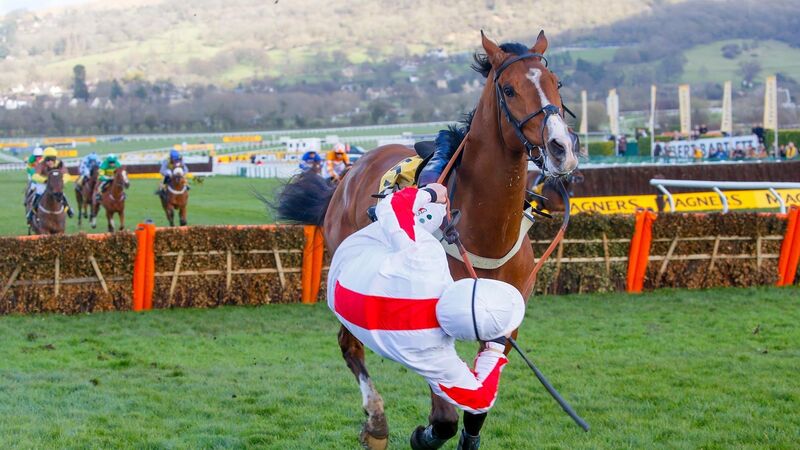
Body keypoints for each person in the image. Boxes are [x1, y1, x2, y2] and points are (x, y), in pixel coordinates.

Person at [327, 184, 525, 450]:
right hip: (349, 306)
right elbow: (481, 399)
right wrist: (494, 348)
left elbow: (392, 207)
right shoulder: (436, 355)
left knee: (426, 218)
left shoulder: (426, 258)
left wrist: (432, 193)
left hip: (350, 262)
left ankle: (422, 203)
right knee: (422, 225)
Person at [28, 147, 73, 221]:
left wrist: (60, 181)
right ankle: (32, 211)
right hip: (44, 182)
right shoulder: (41, 163)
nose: (50, 162)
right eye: (47, 159)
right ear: (44, 159)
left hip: (55, 184)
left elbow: (67, 175)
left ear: (55, 158)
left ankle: (68, 209)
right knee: (39, 193)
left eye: (52, 159)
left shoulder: (60, 164)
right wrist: (44, 180)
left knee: (62, 194)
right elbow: (34, 176)